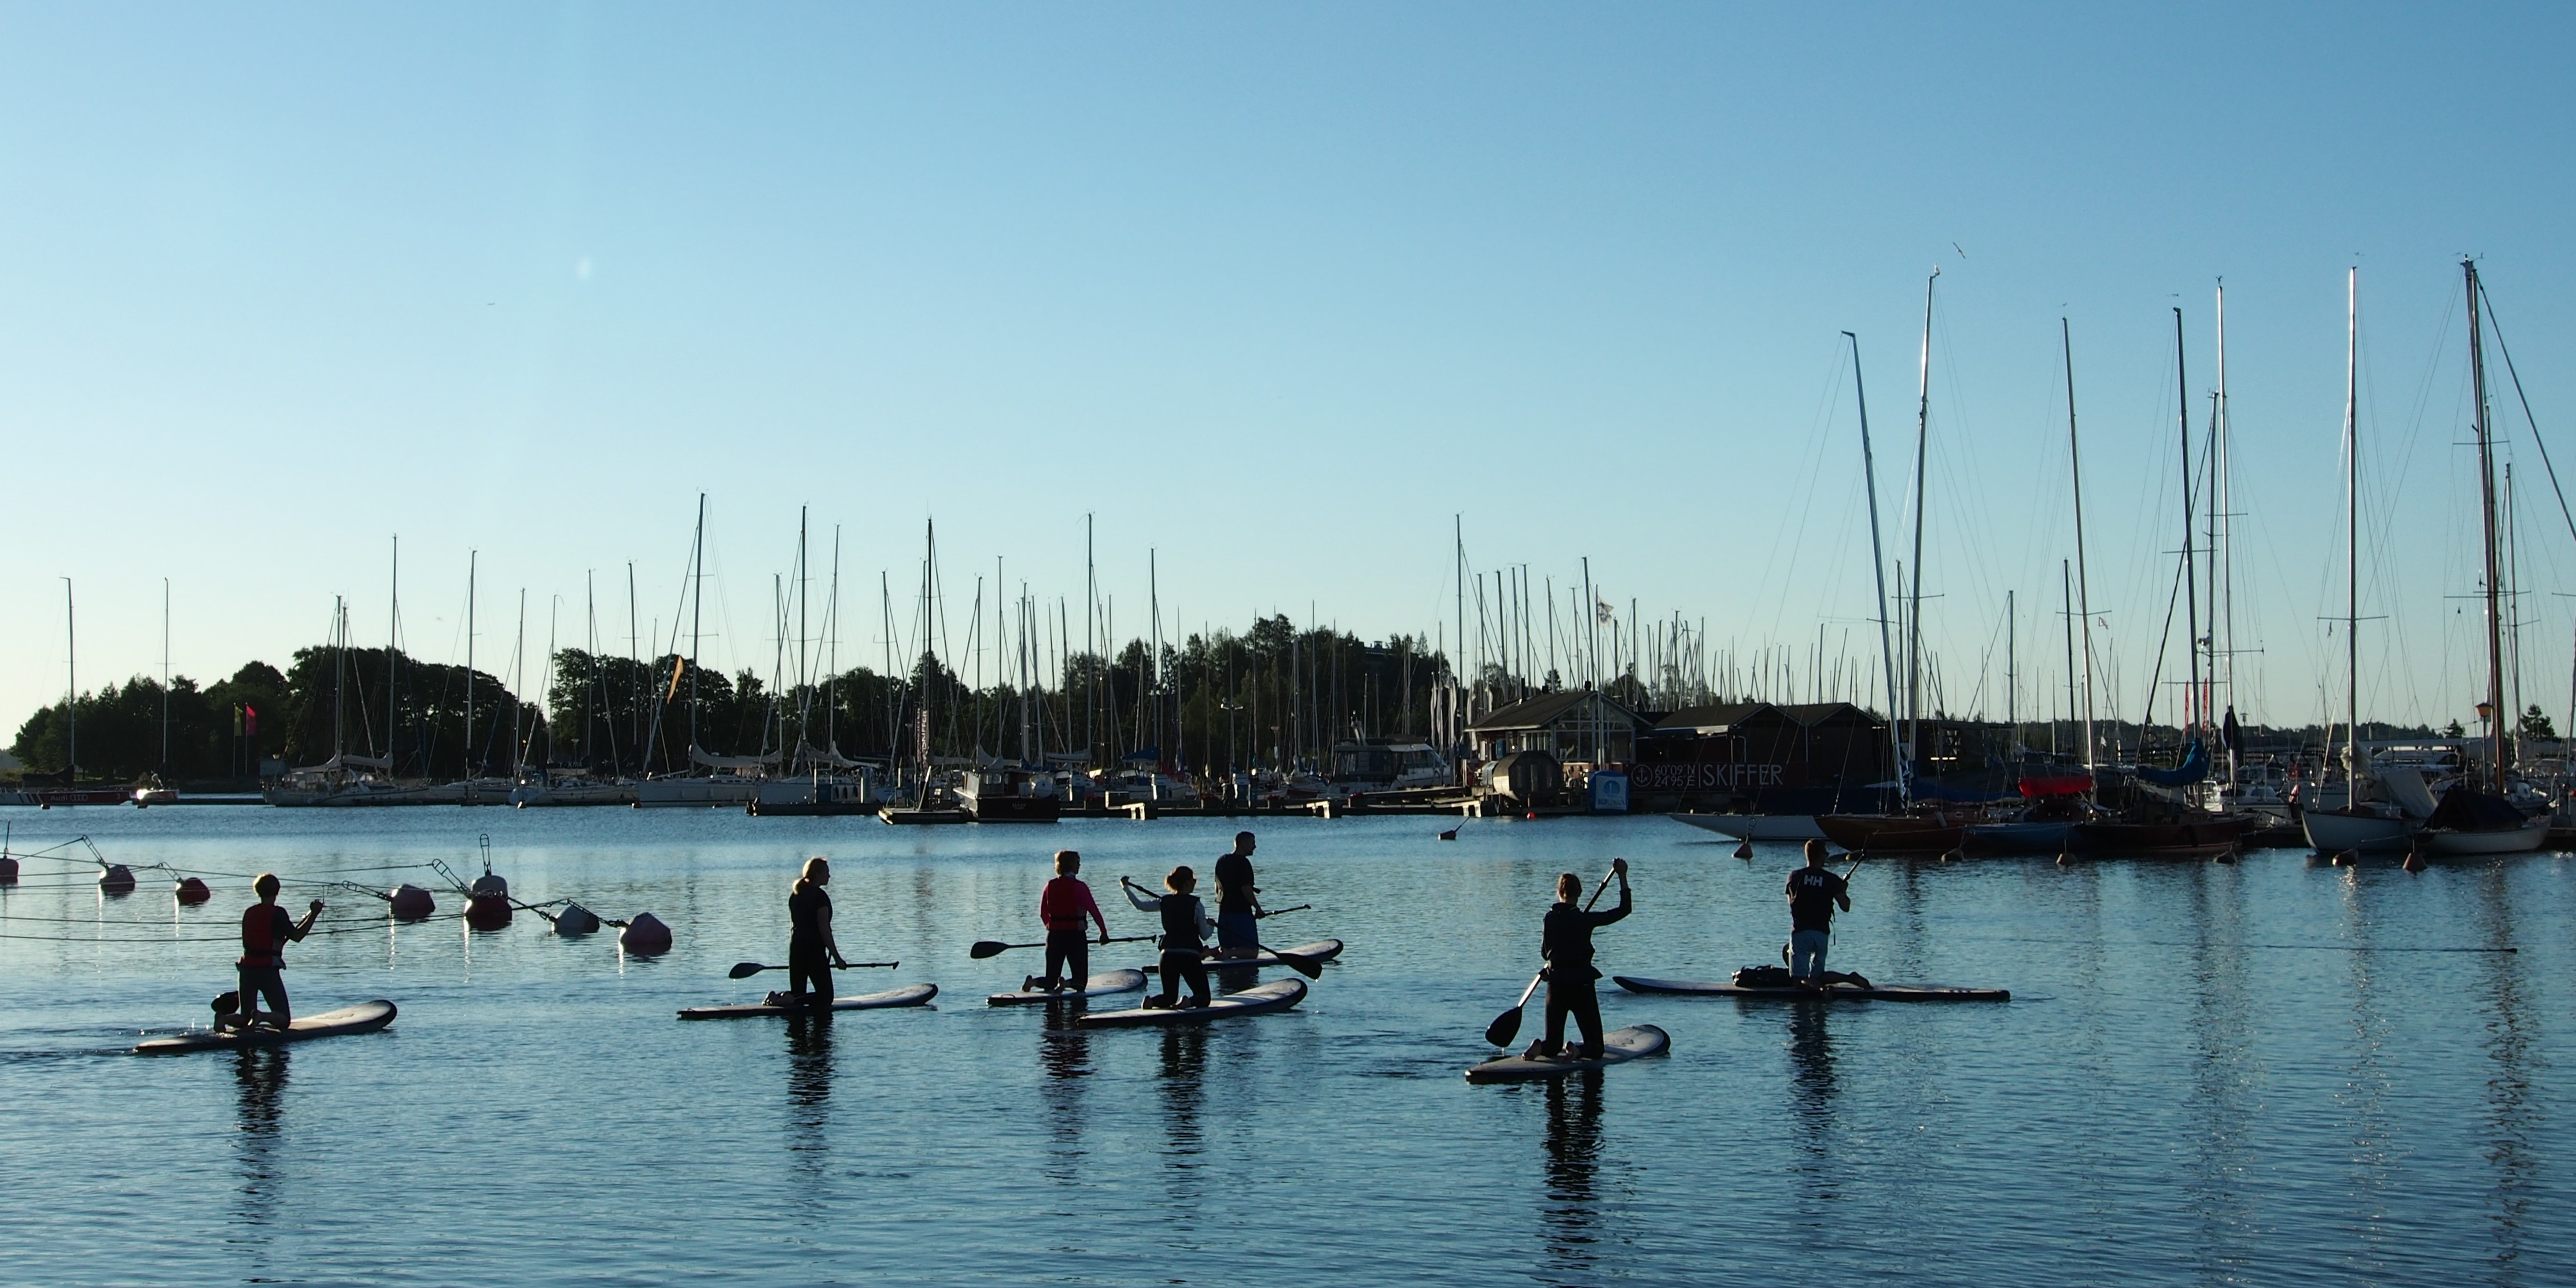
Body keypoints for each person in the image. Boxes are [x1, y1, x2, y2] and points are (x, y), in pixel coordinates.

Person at [1530, 858, 1631, 1060]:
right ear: (1580, 893)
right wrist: (1622, 876)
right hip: (1581, 986)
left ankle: (1540, 1047)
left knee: (1552, 1044)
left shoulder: (1549, 919)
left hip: (1556, 984)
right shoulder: (1585, 920)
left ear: (1560, 893)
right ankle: (1577, 1050)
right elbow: (1624, 910)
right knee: (1596, 1048)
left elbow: (1544, 954)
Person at [226, 874, 321, 1031]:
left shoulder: (249, 912)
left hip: (246, 968)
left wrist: (310, 914)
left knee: (245, 1017)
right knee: (284, 1020)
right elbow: (297, 936)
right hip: (266, 970)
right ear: (277, 891)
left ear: (257, 892)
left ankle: (223, 1019)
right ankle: (262, 1016)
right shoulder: (278, 913)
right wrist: (315, 914)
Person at [1123, 866, 1214, 1009]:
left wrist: (1126, 888)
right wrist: (1212, 926)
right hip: (1189, 956)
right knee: (1204, 997)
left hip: (1167, 956)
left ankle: (1150, 1002)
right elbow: (1205, 935)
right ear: (1187, 883)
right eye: (1193, 881)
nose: (1195, 884)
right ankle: (1187, 1002)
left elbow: (1141, 906)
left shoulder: (1163, 902)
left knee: (1169, 997)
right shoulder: (1197, 905)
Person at [1030, 850, 1110, 992]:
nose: (1080, 866)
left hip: (1054, 936)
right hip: (1075, 936)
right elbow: (1094, 911)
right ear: (1071, 866)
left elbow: (1043, 913)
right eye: (1077, 863)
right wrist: (1103, 932)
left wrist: (1053, 927)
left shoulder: (1050, 886)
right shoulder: (1080, 887)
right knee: (1080, 982)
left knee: (1050, 980)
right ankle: (1066, 984)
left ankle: (1033, 982)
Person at [780, 857, 851, 1010]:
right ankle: (787, 999)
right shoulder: (820, 897)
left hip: (796, 948)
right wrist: (838, 958)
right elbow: (824, 930)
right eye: (827, 872)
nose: (829, 876)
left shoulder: (796, 895)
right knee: (826, 997)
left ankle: (781, 998)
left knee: (798, 994)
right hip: (814, 951)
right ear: (818, 874)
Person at [1785, 839, 1852, 986]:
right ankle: (1849, 979)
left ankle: (1820, 990)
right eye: (1826, 854)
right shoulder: (1832, 879)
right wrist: (1843, 890)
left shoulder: (1794, 876)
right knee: (1818, 976)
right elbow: (1845, 907)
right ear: (1821, 856)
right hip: (1821, 934)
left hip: (1801, 932)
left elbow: (1791, 904)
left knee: (1798, 979)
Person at [1211, 831, 1262, 959]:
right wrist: (1258, 908)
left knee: (1226, 946)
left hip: (1224, 913)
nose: (1255, 847)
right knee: (1252, 952)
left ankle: (1219, 954)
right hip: (1241, 913)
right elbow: (1246, 889)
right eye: (1252, 843)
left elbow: (1217, 888)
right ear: (1243, 844)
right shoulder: (1243, 863)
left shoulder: (1221, 861)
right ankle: (1230, 953)